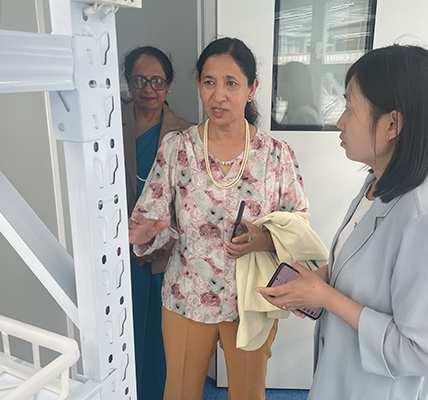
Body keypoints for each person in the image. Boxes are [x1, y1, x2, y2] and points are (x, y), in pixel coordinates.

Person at [257, 44, 428, 400]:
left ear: (392, 124)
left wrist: (325, 297)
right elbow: (366, 266)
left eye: (349, 107)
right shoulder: (378, 181)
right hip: (344, 373)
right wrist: (315, 282)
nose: (339, 121)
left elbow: (424, 351)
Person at [128, 37, 309, 400]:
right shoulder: (177, 147)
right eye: (209, 82)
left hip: (252, 301)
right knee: (180, 392)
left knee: (248, 393)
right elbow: (153, 220)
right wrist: (147, 235)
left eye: (231, 83)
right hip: (186, 296)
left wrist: (262, 239)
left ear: (252, 88)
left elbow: (298, 227)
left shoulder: (276, 155)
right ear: (198, 84)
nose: (219, 95)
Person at [121, 46, 192, 400]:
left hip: (164, 254)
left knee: (160, 340)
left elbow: (190, 204)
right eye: (139, 79)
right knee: (122, 333)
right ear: (128, 82)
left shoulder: (187, 134)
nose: (148, 88)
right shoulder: (106, 125)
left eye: (157, 81)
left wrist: (159, 243)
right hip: (117, 249)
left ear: (169, 84)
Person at [277, 61, 323, 129]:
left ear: (295, 85)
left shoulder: (303, 116)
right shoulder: (293, 111)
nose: (279, 86)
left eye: (282, 81)